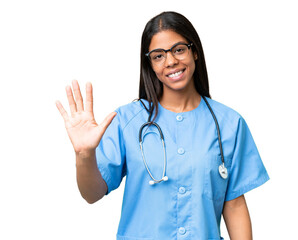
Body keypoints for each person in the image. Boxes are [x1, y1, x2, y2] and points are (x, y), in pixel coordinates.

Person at [56, 11, 269, 240]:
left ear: (194, 51)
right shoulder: (128, 120)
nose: (170, 62)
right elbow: (91, 193)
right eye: (158, 56)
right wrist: (84, 155)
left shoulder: (229, 124)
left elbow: (234, 205)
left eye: (178, 50)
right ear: (150, 64)